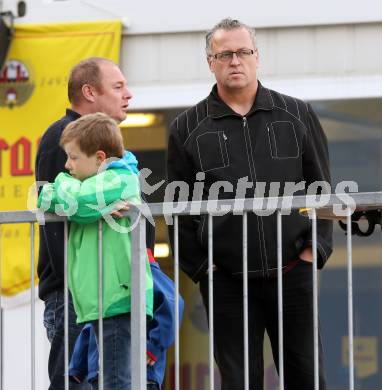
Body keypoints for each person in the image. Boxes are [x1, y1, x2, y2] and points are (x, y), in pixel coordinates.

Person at [167, 18, 333, 389]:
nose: (235, 61)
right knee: (239, 381)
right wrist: (202, 269)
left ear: (258, 57)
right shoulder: (186, 128)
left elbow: (322, 189)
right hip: (226, 280)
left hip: (293, 271)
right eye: (224, 54)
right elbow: (178, 210)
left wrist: (314, 249)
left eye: (243, 52)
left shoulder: (297, 114)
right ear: (210, 62)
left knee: (308, 378)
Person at [35, 57, 155, 389]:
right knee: (80, 381)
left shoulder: (111, 153)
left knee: (113, 377)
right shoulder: (62, 136)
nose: (128, 94)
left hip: (101, 291)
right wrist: (72, 289)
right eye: (118, 87)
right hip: (76, 294)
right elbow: (57, 203)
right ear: (89, 92)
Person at [68, 249, 185, 390]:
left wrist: (152, 348)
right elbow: (93, 325)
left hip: (141, 371)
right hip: (102, 373)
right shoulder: (116, 280)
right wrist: (78, 365)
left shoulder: (146, 273)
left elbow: (174, 304)